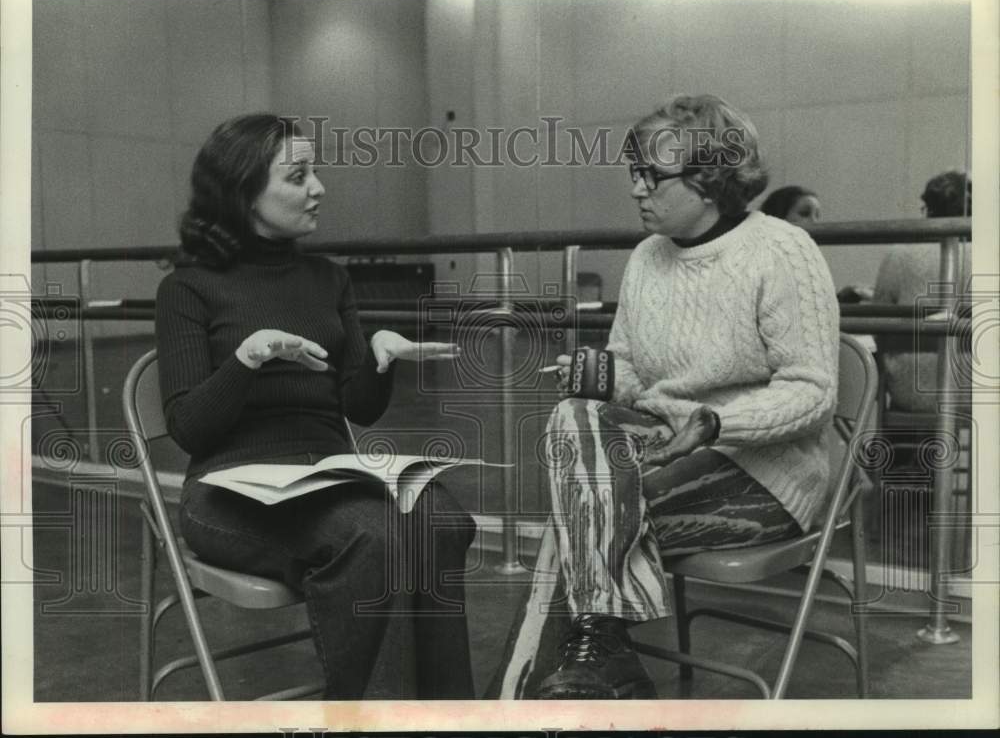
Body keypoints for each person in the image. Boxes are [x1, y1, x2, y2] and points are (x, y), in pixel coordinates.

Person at [491, 95, 840, 699]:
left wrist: (712, 424)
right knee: (573, 418)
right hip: (660, 449)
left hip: (764, 473)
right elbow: (632, 369)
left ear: (708, 179)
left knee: (577, 524)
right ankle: (601, 667)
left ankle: (559, 688)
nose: (635, 190)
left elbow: (812, 393)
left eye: (650, 175)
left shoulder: (780, 250)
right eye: (633, 173)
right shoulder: (647, 258)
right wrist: (598, 376)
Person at [155, 113, 477, 700]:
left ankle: (441, 713)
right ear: (243, 191)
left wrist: (380, 360)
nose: (318, 187)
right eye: (297, 176)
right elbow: (189, 429)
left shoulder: (328, 279)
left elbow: (360, 408)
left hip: (326, 474)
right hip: (225, 490)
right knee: (372, 535)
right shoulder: (188, 288)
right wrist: (245, 361)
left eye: (315, 172)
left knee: (441, 520)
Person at [872, 169, 971, 412]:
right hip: (978, 387)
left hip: (910, 391)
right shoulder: (989, 253)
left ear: (927, 209)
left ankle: (898, 448)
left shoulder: (898, 254)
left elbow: (878, 323)